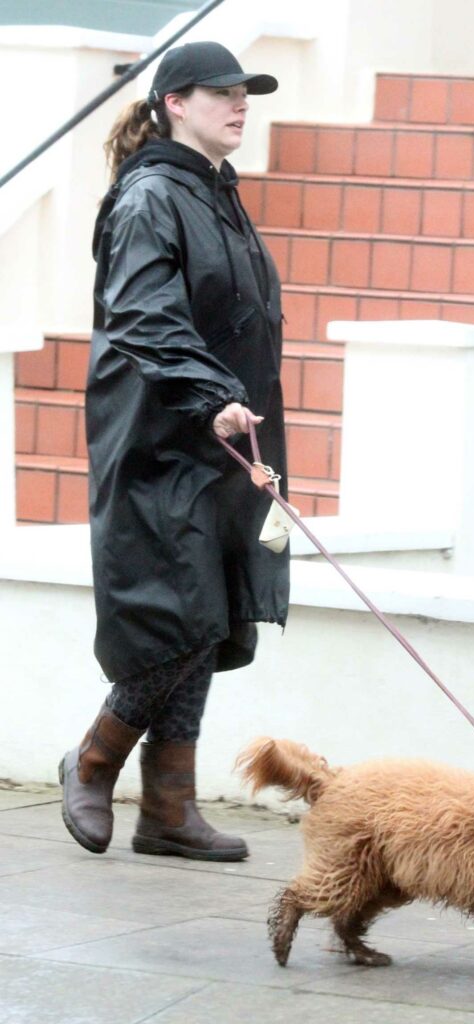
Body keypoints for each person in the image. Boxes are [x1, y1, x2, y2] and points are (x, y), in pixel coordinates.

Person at [59, 41, 290, 862]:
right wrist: (209, 398)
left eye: (245, 94)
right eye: (220, 93)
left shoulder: (214, 194)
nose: (239, 105)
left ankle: (168, 809)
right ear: (173, 104)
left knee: (211, 613)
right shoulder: (152, 196)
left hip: (218, 441)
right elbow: (146, 314)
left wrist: (236, 418)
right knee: (179, 619)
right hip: (164, 440)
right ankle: (94, 759)